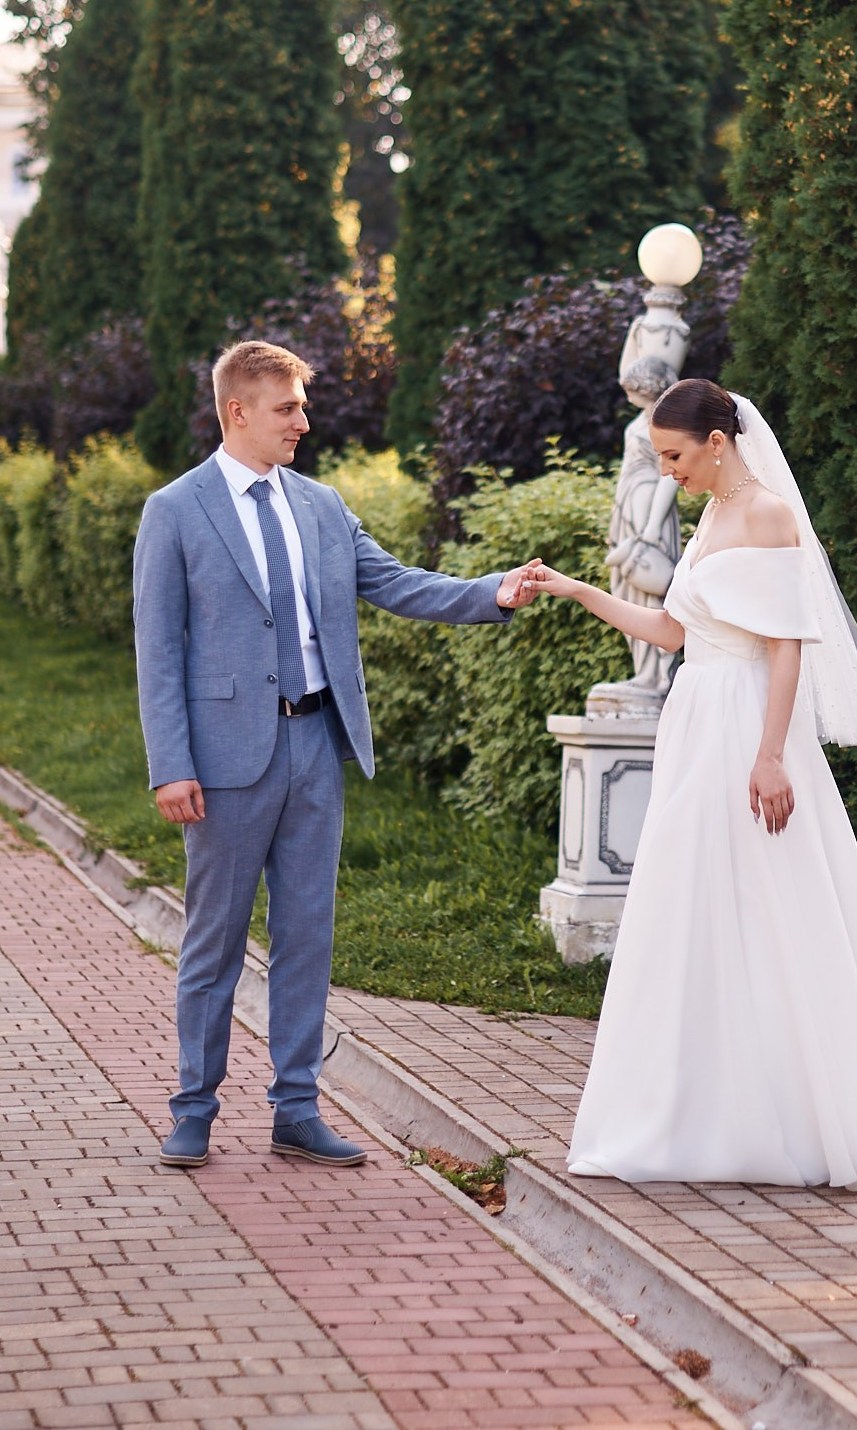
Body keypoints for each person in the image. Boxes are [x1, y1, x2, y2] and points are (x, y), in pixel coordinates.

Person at [519, 379, 857, 1191]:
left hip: (746, 728)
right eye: (660, 458)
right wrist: (578, 590)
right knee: (691, 907)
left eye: (675, 455)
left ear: (717, 442)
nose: (667, 471)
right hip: (697, 719)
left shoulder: (766, 515)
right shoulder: (712, 517)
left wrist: (769, 755)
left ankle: (801, 1116)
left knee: (771, 904)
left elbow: (786, 646)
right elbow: (673, 630)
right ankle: (697, 1110)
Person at [133, 341, 542, 1169]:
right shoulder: (175, 510)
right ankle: (193, 1109)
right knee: (213, 940)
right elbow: (157, 649)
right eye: (288, 409)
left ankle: (296, 1109)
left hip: (317, 743)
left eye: (302, 407)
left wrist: (490, 590)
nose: (303, 422)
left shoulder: (320, 505)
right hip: (222, 761)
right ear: (238, 411)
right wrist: (170, 763)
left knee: (307, 935)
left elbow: (394, 582)